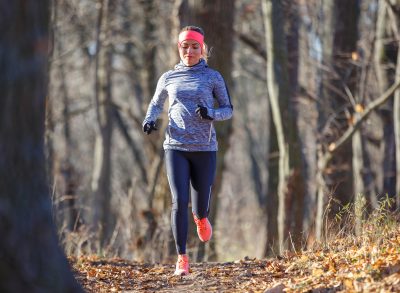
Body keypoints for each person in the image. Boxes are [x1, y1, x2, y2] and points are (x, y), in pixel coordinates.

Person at [142, 25, 233, 276]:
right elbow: (155, 103)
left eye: (195, 46)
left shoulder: (213, 77)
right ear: (179, 48)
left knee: (199, 204)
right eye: (185, 46)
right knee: (178, 201)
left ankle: (201, 218)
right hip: (175, 146)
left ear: (202, 49)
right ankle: (182, 258)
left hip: (204, 148)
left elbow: (228, 109)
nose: (190, 51)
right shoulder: (168, 77)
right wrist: (149, 120)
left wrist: (210, 114)